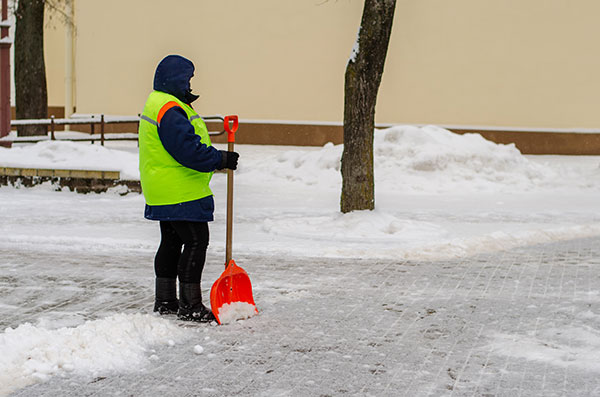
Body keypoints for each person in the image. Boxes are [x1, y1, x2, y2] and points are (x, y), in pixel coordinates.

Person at [138, 55, 239, 322]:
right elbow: (187, 150)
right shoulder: (169, 108)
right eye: (188, 79)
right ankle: (190, 305)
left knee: (171, 242)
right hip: (181, 188)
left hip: (163, 188)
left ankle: (166, 301)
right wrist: (220, 159)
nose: (190, 84)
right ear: (177, 78)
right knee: (196, 241)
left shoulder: (158, 103)